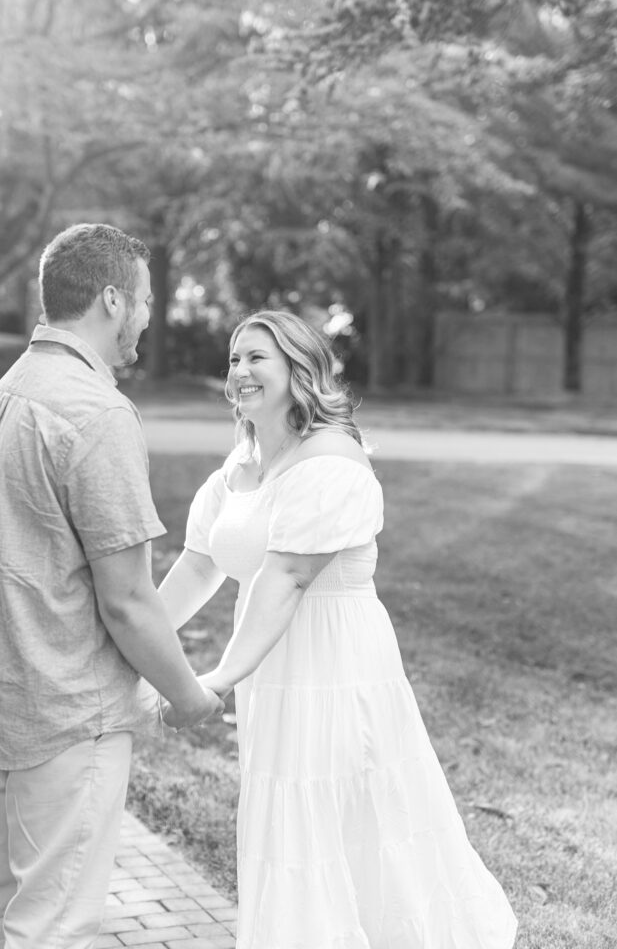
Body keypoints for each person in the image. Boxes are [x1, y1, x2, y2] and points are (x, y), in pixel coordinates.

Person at [158, 309, 517, 949]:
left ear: (300, 371)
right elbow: (197, 564)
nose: (239, 371)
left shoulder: (333, 460)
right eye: (234, 359)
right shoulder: (241, 465)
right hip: (271, 663)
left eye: (256, 358)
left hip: (335, 663)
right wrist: (141, 644)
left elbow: (288, 579)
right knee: (289, 819)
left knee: (346, 815)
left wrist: (213, 680)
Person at [0, 222, 223, 949]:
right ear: (110, 299)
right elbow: (128, 600)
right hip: (66, 711)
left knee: (5, 904)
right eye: (143, 301)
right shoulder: (95, 411)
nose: (146, 317)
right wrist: (190, 696)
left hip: (0, 699)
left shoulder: (11, 388)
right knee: (56, 925)